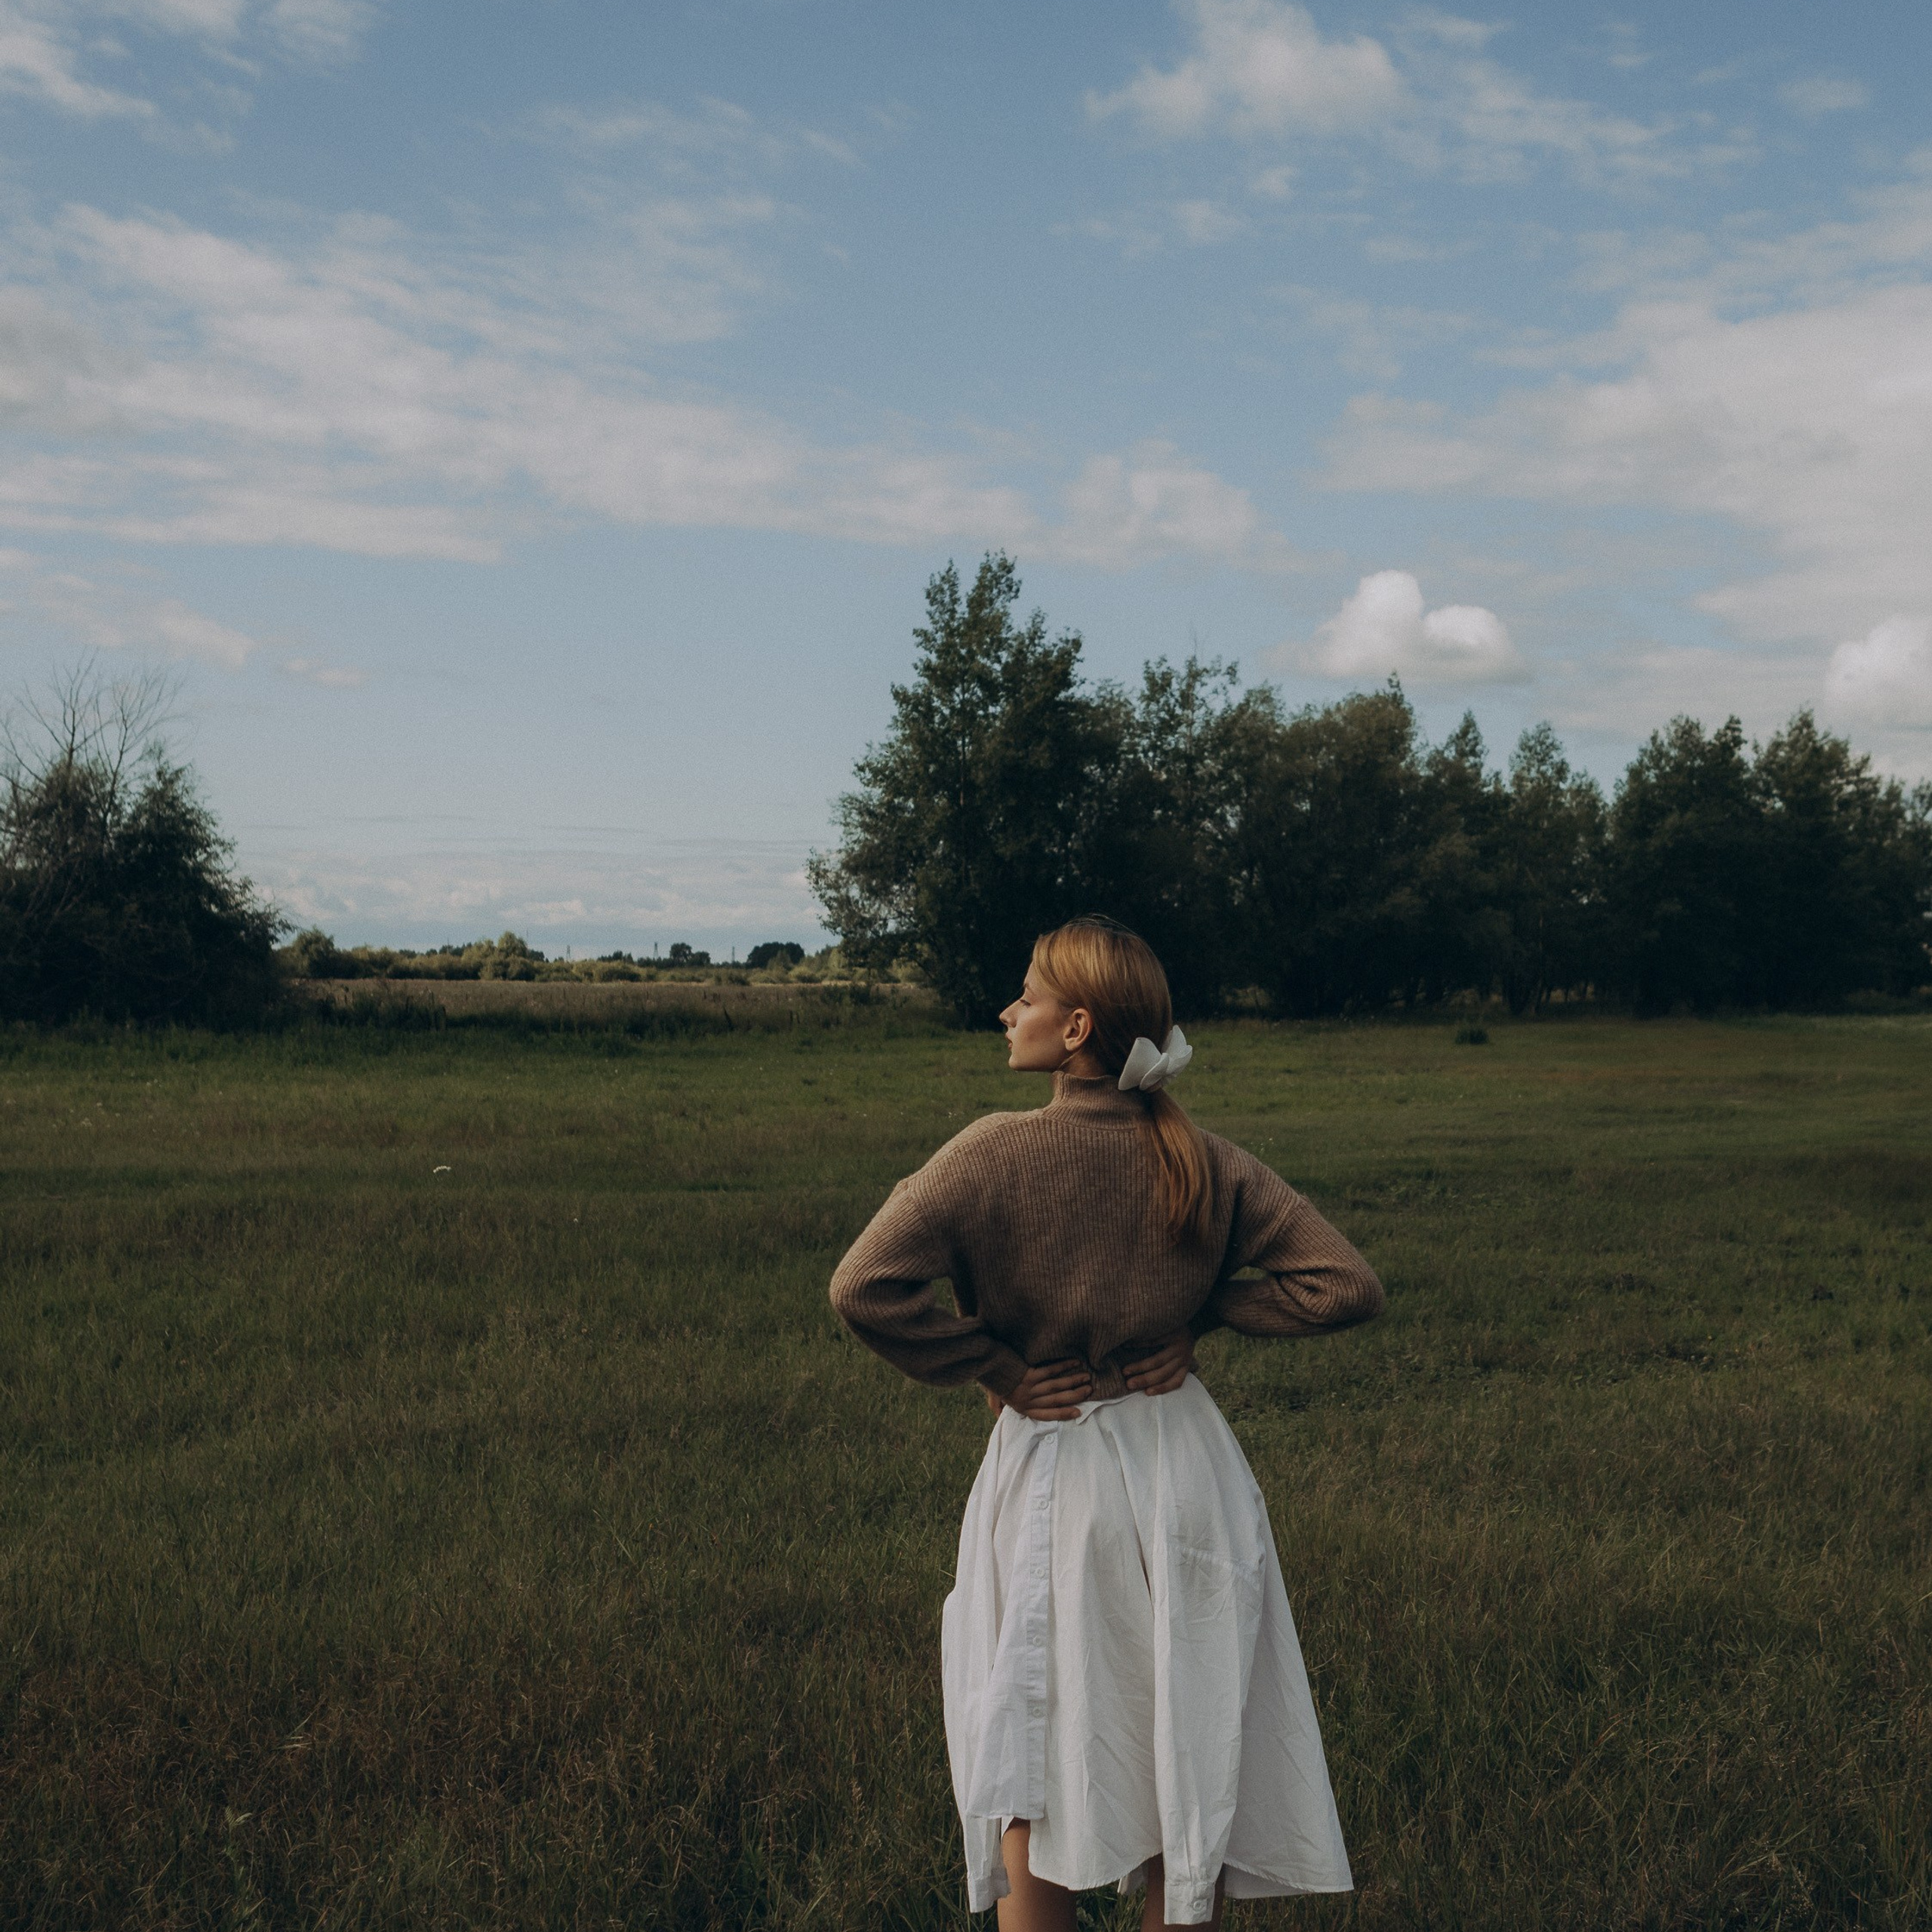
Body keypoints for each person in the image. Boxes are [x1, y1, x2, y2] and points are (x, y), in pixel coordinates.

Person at [829, 917, 1385, 1930]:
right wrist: (1205, 1311)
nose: (1011, 1012)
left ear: (1077, 1026)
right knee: (1186, 1725)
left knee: (1033, 1753)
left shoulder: (991, 1152)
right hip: (1181, 1468)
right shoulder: (1205, 1158)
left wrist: (994, 1365)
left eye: (1029, 997)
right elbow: (1344, 1283)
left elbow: (863, 1287)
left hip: (1054, 1466)